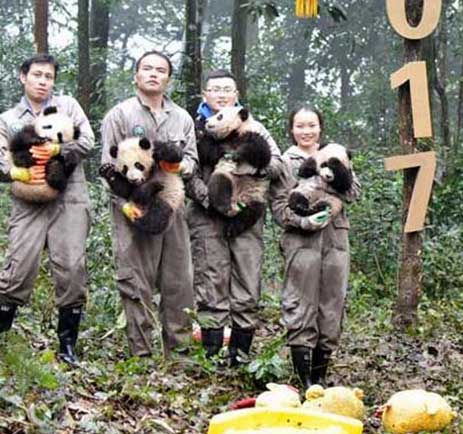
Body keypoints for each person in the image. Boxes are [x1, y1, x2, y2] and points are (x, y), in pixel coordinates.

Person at [99, 51, 198, 357]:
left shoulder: (181, 118)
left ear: (168, 78)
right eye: (147, 68)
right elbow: (108, 166)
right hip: (135, 205)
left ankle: (179, 353)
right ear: (136, 75)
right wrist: (125, 204)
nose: (154, 74)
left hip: (172, 204)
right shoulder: (120, 115)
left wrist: (177, 165)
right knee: (135, 279)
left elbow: (192, 160)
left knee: (179, 281)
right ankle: (140, 354)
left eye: (161, 70)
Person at [0, 54, 95, 364]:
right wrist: (14, 171)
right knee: (18, 269)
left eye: (49, 76)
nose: (43, 81)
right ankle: (2, 340)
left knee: (71, 269)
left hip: (69, 198)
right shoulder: (8, 119)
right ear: (23, 76)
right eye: (37, 75)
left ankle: (67, 347)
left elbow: (88, 140)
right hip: (27, 201)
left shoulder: (68, 107)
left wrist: (60, 149)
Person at [185, 69, 281, 365]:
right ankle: (211, 356)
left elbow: (277, 165)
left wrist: (248, 165)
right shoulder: (193, 127)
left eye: (227, 89)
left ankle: (239, 355)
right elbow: (185, 170)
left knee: (247, 281)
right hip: (206, 214)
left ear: (236, 95)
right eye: (215, 89)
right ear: (205, 95)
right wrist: (211, 200)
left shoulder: (253, 127)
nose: (222, 94)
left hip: (246, 215)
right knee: (210, 280)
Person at [269, 105, 360, 388]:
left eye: (311, 125)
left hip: (336, 239)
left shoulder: (336, 153)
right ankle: (304, 378)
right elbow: (279, 206)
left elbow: (354, 191)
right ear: (291, 129)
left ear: (320, 128)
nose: (306, 131)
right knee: (301, 303)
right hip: (301, 241)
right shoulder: (285, 162)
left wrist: (334, 190)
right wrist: (304, 221)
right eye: (300, 126)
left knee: (332, 303)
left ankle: (321, 375)